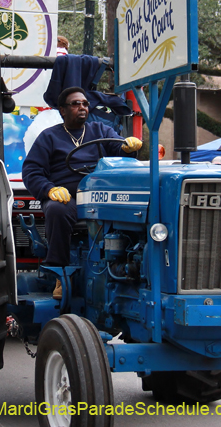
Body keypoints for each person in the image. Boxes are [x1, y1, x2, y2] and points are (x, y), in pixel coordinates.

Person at [22, 87, 142, 299]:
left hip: (100, 196)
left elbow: (116, 149)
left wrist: (126, 148)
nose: (82, 107)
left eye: (85, 104)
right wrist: (49, 189)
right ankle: (60, 274)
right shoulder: (49, 137)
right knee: (57, 210)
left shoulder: (100, 130)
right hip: (68, 197)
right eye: (76, 104)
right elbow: (31, 171)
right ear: (62, 110)